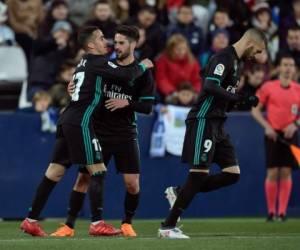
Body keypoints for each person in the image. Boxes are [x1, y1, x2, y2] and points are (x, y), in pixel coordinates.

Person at [20, 26, 153, 237]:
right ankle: (97, 223)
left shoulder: (83, 63)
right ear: (91, 44)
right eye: (102, 38)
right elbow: (127, 75)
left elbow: (82, 84)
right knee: (98, 170)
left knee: (54, 171)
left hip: (67, 120)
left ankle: (30, 220)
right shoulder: (99, 62)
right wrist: (144, 65)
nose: (106, 42)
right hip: (81, 121)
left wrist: (71, 86)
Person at [158, 28, 266, 239]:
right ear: (251, 44)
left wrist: (242, 99)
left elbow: (224, 97)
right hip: (204, 120)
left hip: (218, 123)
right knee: (199, 174)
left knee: (232, 174)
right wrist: (237, 98)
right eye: (258, 51)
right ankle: (167, 227)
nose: (256, 56)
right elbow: (209, 85)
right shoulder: (223, 57)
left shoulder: (237, 63)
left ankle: (179, 193)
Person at [251, 54, 300, 222]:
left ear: (294, 69)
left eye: (291, 65)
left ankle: (282, 213)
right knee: (272, 172)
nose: (288, 68)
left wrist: (295, 125)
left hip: (290, 134)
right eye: (285, 64)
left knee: (286, 171)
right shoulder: (268, 87)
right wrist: (267, 127)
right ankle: (271, 212)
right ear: (279, 68)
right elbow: (255, 109)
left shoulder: (298, 89)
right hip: (272, 134)